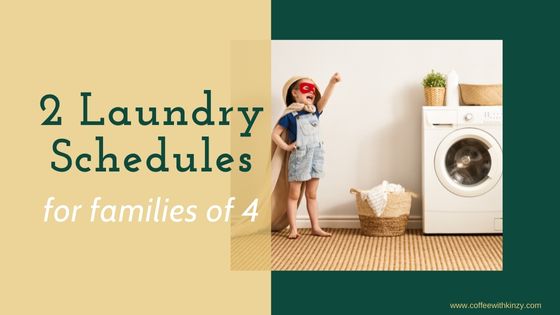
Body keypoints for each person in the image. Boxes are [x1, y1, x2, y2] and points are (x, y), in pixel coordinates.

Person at [272, 73, 341, 239]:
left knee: (312, 194)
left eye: (313, 89)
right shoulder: (290, 115)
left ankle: (315, 227)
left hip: (316, 156)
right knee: (294, 195)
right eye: (306, 88)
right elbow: (275, 134)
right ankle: (293, 229)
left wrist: (332, 82)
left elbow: (324, 99)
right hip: (300, 157)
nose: (311, 91)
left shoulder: (315, 111)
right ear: (294, 93)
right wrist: (287, 147)